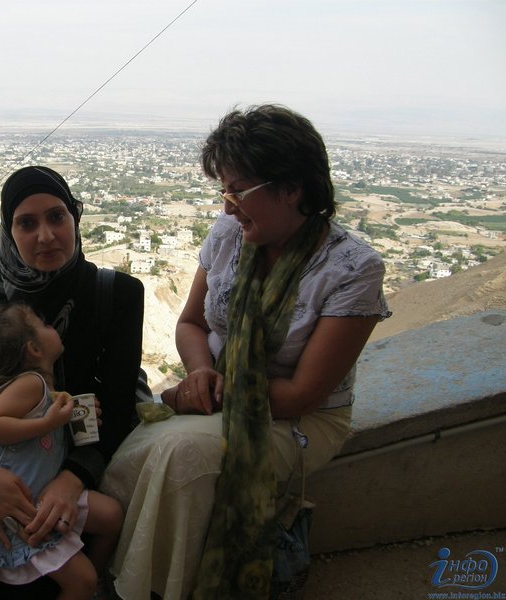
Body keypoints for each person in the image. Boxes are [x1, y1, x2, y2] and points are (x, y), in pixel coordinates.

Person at [100, 104, 391, 599]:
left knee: (182, 454)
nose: (228, 206)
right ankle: (127, 574)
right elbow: (191, 323)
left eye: (238, 191)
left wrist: (210, 392)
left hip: (298, 417)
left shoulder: (351, 269)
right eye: (224, 191)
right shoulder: (229, 235)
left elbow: (303, 394)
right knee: (141, 447)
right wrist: (199, 372)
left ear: (291, 188)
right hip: (221, 392)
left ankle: (155, 588)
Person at [0, 165, 144, 599]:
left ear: (75, 218)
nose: (45, 236)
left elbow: (118, 407)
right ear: (9, 232)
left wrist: (72, 479)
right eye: (27, 223)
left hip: (76, 470)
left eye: (57, 217)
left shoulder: (116, 294)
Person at [0, 301, 123, 600]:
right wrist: (49, 422)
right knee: (82, 580)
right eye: (45, 324)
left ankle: (95, 588)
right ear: (34, 349)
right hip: (23, 505)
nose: (52, 326)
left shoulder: (41, 387)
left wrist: (69, 416)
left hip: (40, 488)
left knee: (111, 515)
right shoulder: (30, 383)